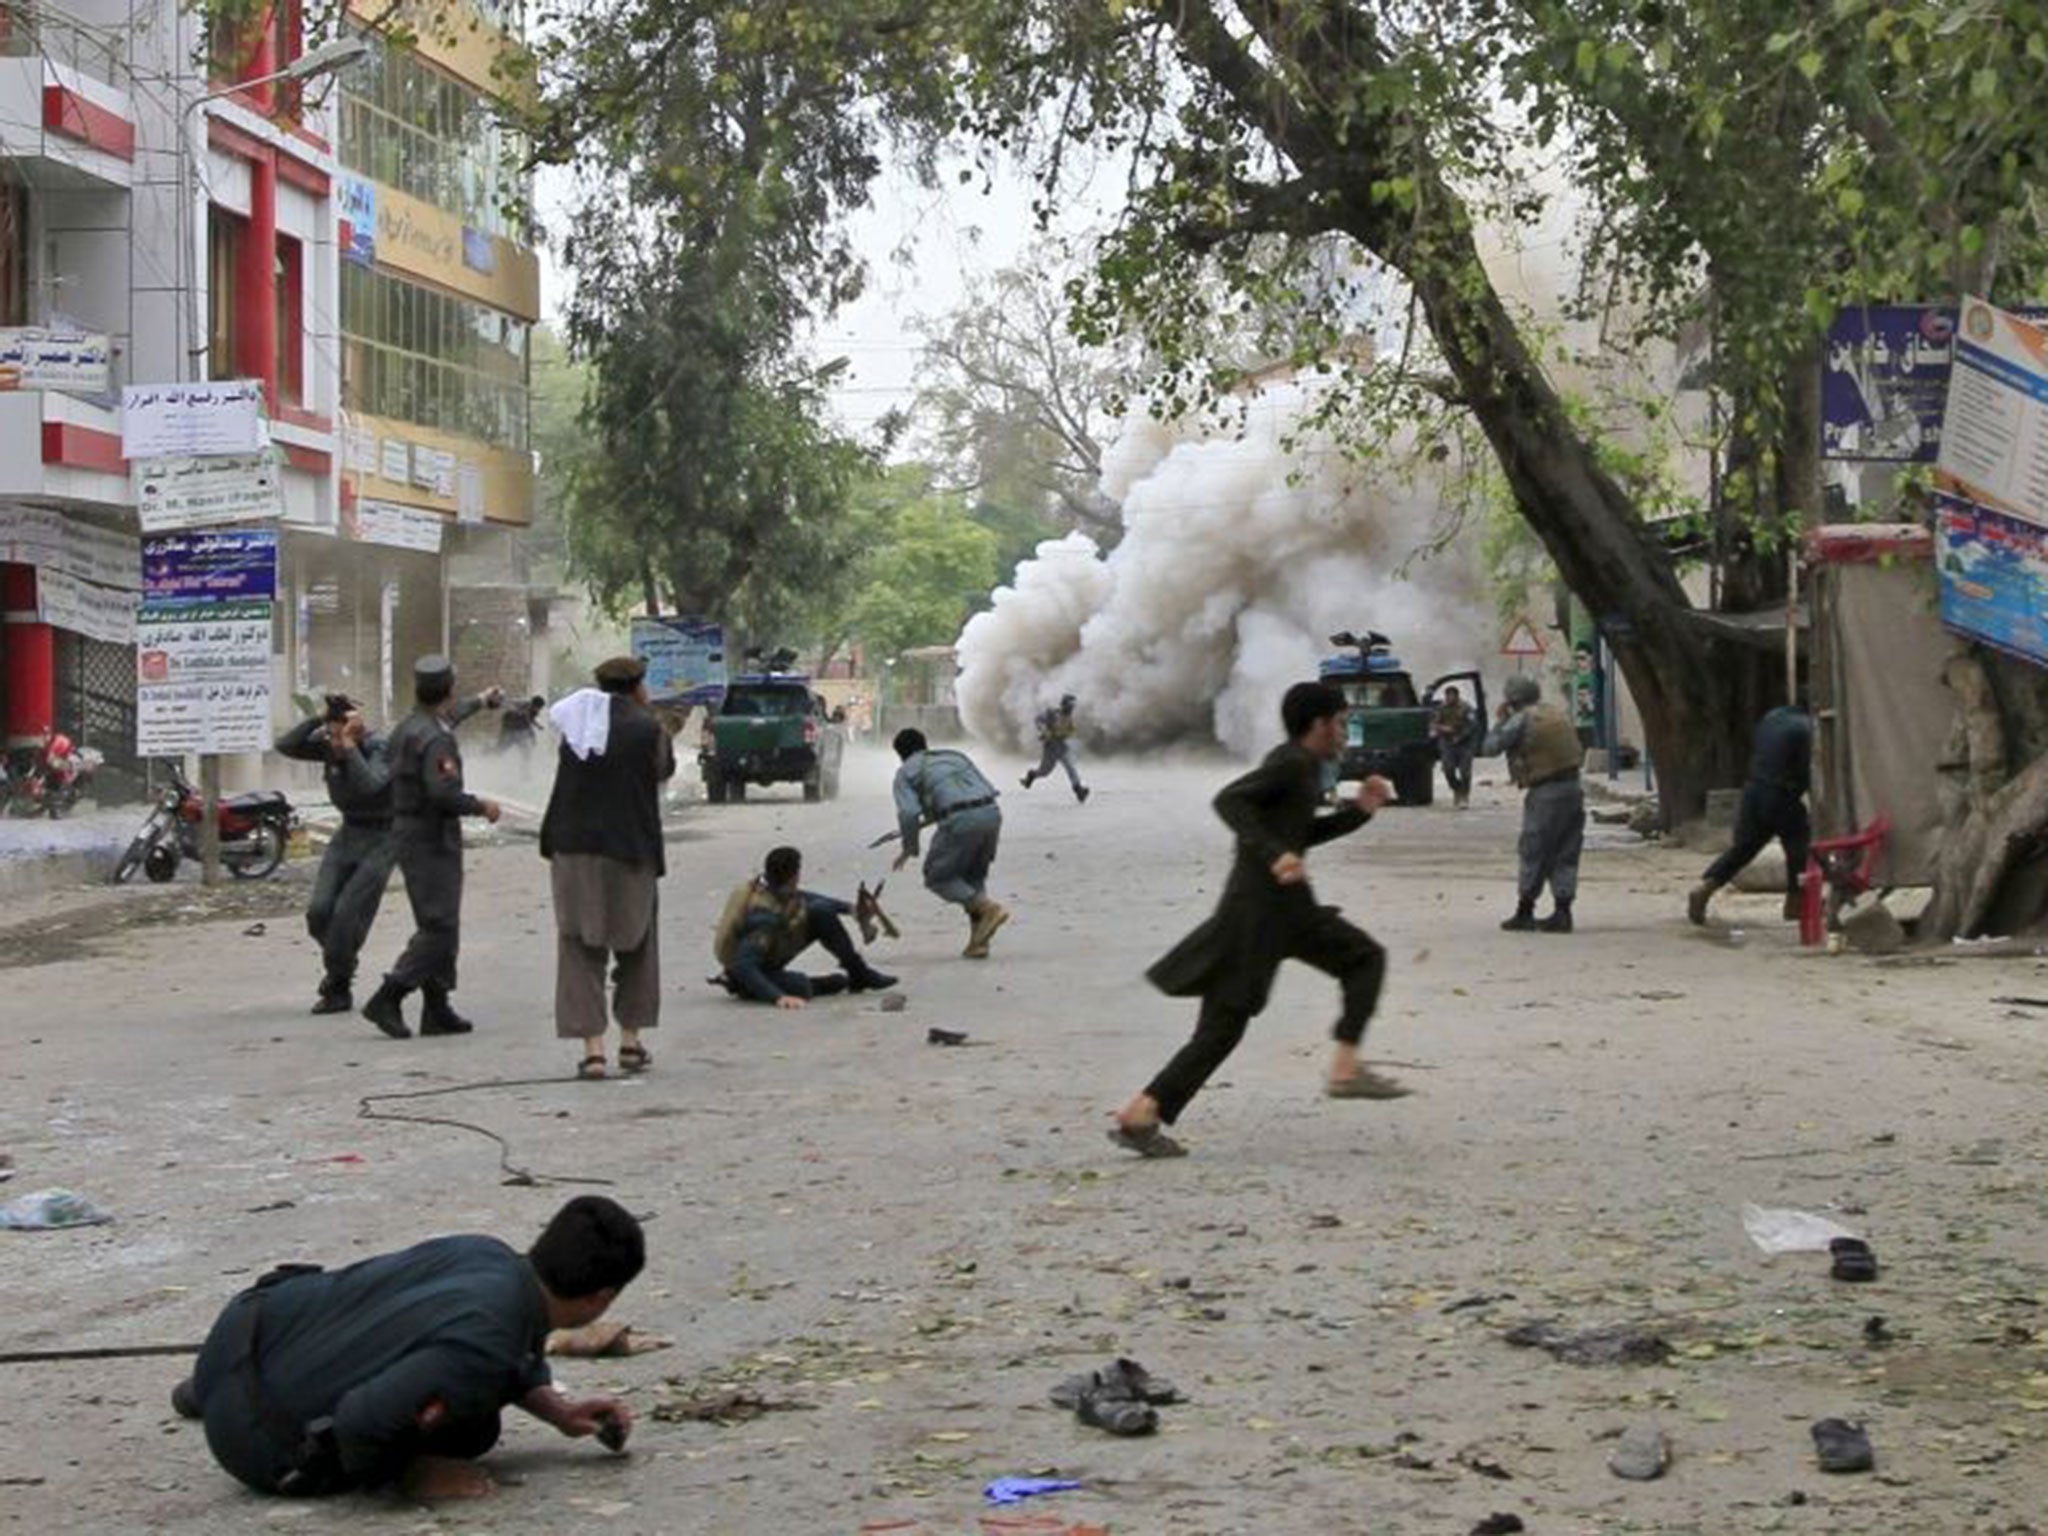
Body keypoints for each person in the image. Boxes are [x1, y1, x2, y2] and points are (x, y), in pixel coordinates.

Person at [172, 1196, 643, 1502]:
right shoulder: (490, 1342)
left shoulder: (484, 1252)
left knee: (389, 1325)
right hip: (253, 1442)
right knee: (474, 1430)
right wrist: (415, 1477)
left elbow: (492, 1342)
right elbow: (362, 1423)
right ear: (600, 1299)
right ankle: (225, 1404)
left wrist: (556, 1410)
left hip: (240, 1333)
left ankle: (209, 1391)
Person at [1110, 681, 1407, 1158]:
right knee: (1359, 961)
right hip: (1262, 914)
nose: (1345, 731)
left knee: (1229, 1023)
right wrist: (1275, 856)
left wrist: (1359, 813)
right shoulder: (1290, 763)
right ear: (1319, 724)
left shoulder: (1306, 768)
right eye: (1342, 721)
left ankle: (1141, 1113)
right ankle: (1345, 1069)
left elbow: (1299, 832)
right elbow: (1230, 801)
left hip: (1277, 911)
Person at [540, 657, 678, 1081]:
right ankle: (631, 1044)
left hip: (572, 847)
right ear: (639, 687)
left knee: (579, 945)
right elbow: (663, 770)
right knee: (637, 944)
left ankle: (593, 1051)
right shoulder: (648, 728)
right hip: (630, 848)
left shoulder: (577, 725)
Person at [361, 657, 502, 1040]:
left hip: (408, 829)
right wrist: (481, 805)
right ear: (449, 690)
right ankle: (389, 994)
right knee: (439, 925)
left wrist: (481, 701)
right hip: (431, 835)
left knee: (439, 920)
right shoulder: (436, 737)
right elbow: (443, 792)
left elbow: (450, 715)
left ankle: (437, 1006)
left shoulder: (410, 727)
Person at [275, 696, 397, 1015]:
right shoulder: (329, 745)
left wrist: (351, 747)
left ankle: (338, 984)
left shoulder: (379, 748)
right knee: (318, 912)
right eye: (329, 736)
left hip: (382, 838)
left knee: (345, 914)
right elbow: (286, 745)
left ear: (356, 730)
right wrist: (319, 719)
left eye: (337, 735)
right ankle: (343, 962)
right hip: (347, 835)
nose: (332, 743)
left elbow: (371, 785)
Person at [713, 845, 899, 1007]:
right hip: (747, 970)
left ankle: (859, 973)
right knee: (800, 986)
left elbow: (805, 898)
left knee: (821, 911)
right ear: (793, 876)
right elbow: (744, 965)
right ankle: (825, 983)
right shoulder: (763, 917)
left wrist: (852, 910)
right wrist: (778, 998)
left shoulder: (769, 886)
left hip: (768, 950)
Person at [1688, 702, 1812, 925]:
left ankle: (1706, 886)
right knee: (1798, 849)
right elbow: (1808, 769)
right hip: (1782, 793)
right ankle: (1795, 903)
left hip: (1753, 790)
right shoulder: (1806, 729)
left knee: (1744, 848)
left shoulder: (1771, 718)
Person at [891, 729, 1009, 958]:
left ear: (900, 754)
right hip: (991, 813)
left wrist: (909, 848)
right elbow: (979, 787)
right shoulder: (955, 756)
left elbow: (908, 813)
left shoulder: (906, 772)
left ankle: (988, 909)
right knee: (973, 877)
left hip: (959, 821)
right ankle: (979, 943)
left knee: (938, 877)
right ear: (925, 744)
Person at [1485, 674, 1585, 933]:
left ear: (1513, 699)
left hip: (1546, 791)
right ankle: (1563, 912)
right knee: (1566, 849)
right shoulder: (1556, 712)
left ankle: (1525, 910)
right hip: (1573, 788)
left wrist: (1500, 721)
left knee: (1534, 850)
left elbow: (1490, 748)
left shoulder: (1520, 719)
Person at [1021, 694, 1090, 802]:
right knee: (1044, 772)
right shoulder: (1052, 714)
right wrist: (1044, 730)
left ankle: (1079, 790)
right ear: (1064, 704)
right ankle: (1031, 775)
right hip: (1051, 749)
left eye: (1073, 706)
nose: (1072, 708)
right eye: (1070, 705)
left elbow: (1069, 731)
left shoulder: (1068, 718)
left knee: (1071, 768)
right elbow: (1038, 720)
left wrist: (1069, 733)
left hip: (1061, 747)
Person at [1431, 684, 1477, 809]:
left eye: (1452, 696)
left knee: (1465, 772)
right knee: (1448, 769)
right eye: (1447, 696)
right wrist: (1442, 729)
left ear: (1457, 696)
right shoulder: (1441, 708)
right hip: (1447, 743)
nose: (1449, 698)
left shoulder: (1466, 708)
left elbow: (1472, 725)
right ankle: (1457, 788)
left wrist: (1461, 736)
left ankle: (1464, 796)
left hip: (1464, 743)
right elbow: (1434, 723)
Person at [498, 694, 548, 765]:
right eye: (538, 707)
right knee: (500, 749)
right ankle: (486, 753)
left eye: (540, 708)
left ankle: (525, 772)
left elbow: (530, 719)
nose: (539, 710)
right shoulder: (523, 705)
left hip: (518, 730)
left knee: (525, 752)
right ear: (534, 705)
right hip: (509, 727)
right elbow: (527, 722)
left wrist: (538, 726)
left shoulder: (533, 711)